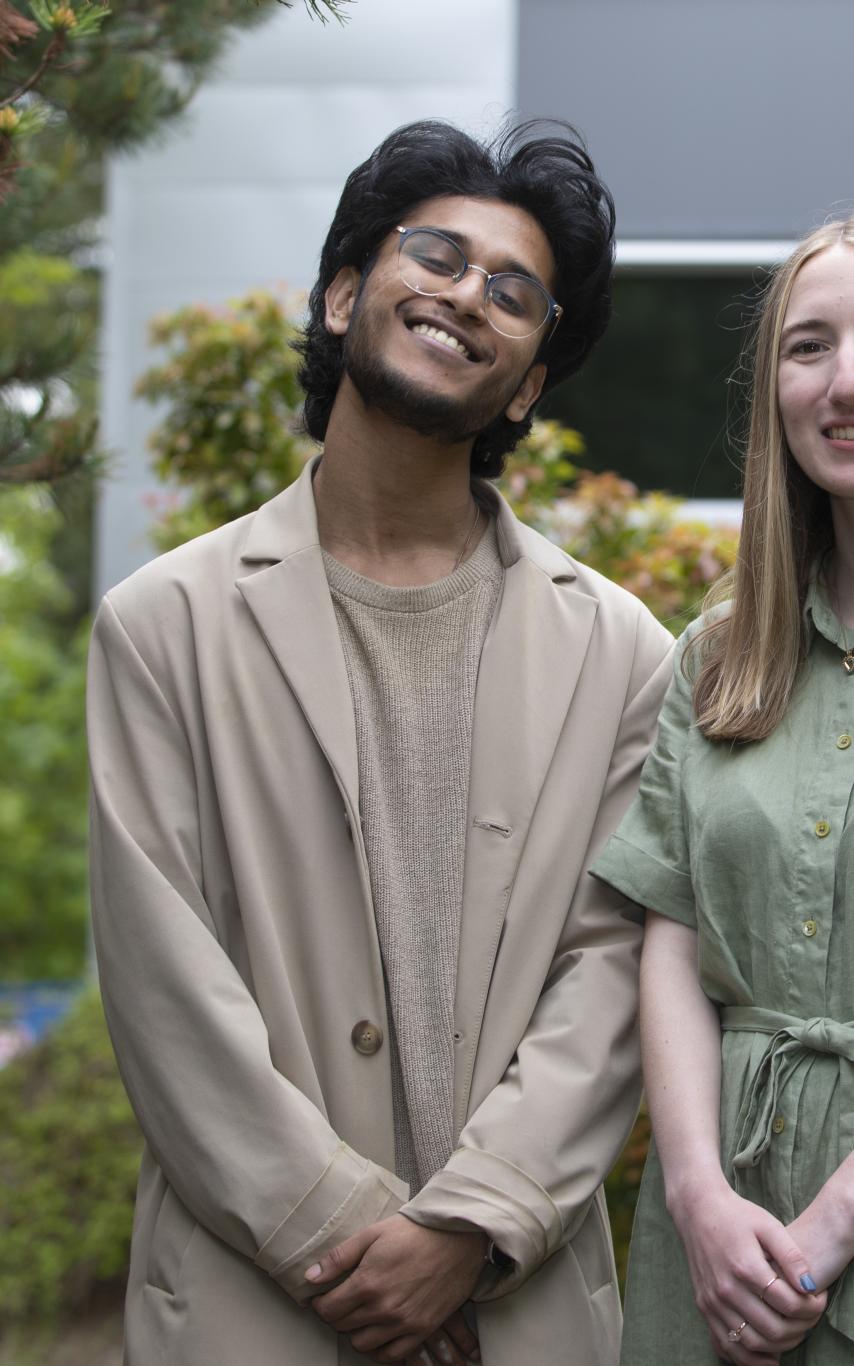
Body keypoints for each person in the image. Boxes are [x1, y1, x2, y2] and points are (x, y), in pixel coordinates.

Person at [87, 119, 673, 1366]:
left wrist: (468, 1225)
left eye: (512, 294)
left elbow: (610, 969)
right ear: (346, 290)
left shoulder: (624, 652)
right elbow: (162, 984)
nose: (466, 295)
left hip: (511, 1312)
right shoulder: (163, 626)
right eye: (436, 257)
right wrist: (351, 1240)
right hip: (257, 1304)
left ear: (525, 380)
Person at [592, 216, 854, 1365]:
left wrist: (827, 1229)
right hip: (716, 1234)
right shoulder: (715, 653)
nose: (842, 381)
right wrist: (694, 1193)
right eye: (807, 346)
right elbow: (670, 940)